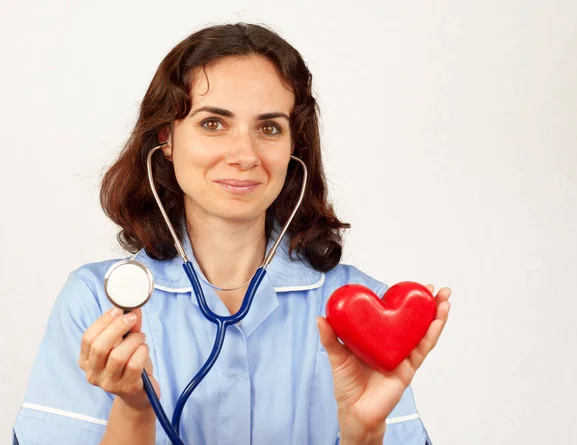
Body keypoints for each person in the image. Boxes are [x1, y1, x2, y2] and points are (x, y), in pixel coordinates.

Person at [12, 22, 451, 445]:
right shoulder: (95, 301)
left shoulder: (359, 304)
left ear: (293, 146)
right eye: (213, 123)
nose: (244, 155)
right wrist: (133, 407)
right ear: (166, 138)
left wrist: (365, 434)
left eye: (268, 128)